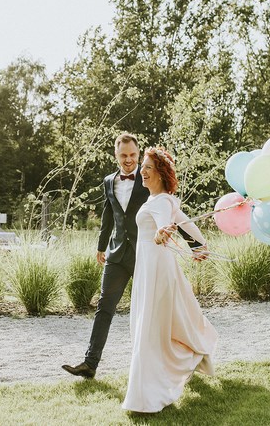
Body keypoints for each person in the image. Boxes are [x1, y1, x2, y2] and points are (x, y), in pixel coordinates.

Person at [122, 146, 218, 413]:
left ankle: (145, 397)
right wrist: (199, 245)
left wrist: (163, 233)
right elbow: (187, 225)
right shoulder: (158, 200)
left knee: (150, 328)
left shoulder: (162, 201)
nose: (142, 170)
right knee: (158, 324)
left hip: (156, 269)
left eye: (148, 167)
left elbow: (167, 224)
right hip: (151, 267)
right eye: (143, 166)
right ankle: (188, 357)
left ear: (161, 174)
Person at [62, 133, 150, 379]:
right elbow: (108, 216)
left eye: (133, 155)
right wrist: (101, 246)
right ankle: (90, 364)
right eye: (124, 155)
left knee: (152, 308)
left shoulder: (149, 179)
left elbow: (168, 207)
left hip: (143, 254)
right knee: (104, 308)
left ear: (138, 154)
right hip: (116, 253)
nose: (129, 160)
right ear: (116, 155)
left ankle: (172, 360)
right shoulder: (109, 181)